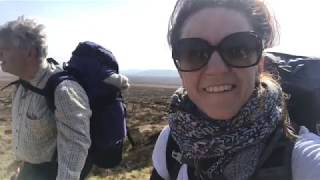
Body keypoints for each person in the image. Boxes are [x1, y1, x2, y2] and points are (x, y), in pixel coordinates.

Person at [150, 0, 300, 179]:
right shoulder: (170, 141)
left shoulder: (300, 157)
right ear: (180, 71)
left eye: (238, 49)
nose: (216, 69)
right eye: (194, 53)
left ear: (259, 65)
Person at [0, 16, 92, 180]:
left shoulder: (64, 91)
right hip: (29, 171)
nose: (0, 55)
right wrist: (23, 166)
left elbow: (75, 146)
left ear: (30, 53)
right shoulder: (21, 85)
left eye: (4, 48)